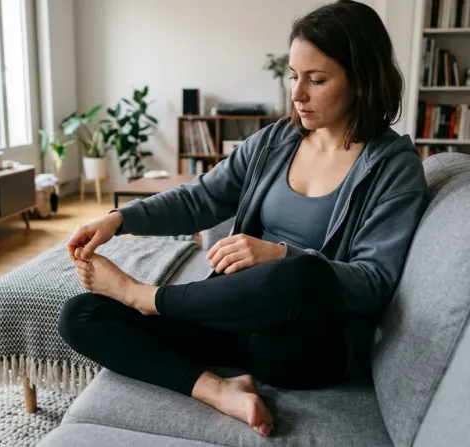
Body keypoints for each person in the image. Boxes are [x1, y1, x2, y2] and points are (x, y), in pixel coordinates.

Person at [58, 0, 427, 438]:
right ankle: (218, 389)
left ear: (362, 80)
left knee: (307, 272)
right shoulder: (277, 140)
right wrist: (119, 219)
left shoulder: (393, 167)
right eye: (293, 76)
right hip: (234, 318)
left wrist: (278, 254)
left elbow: (373, 282)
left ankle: (146, 297)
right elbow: (200, 197)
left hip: (299, 345)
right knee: (80, 315)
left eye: (317, 80)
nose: (297, 94)